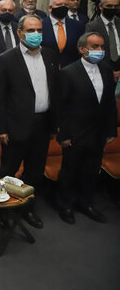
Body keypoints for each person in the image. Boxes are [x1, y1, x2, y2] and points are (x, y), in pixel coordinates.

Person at [0, 15, 58, 229]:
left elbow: (54, 91)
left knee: (35, 170)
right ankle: (2, 211)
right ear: (20, 33)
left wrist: (54, 124)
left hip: (43, 124)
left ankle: (27, 209)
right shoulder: (6, 59)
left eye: (39, 30)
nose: (36, 35)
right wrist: (1, 128)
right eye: (31, 31)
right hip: (15, 126)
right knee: (8, 171)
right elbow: (0, 98)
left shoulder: (50, 55)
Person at [56, 32, 116, 225]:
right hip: (75, 133)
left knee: (91, 170)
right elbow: (61, 107)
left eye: (102, 47)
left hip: (98, 133)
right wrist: (63, 135)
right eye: (95, 47)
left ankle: (86, 203)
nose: (100, 51)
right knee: (69, 171)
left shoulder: (107, 70)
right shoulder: (68, 72)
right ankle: (65, 205)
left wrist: (110, 130)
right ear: (82, 49)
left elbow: (109, 103)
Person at [41, 0, 85, 68]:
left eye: (65, 5)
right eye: (59, 5)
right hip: (47, 69)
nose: (63, 7)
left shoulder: (78, 26)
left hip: (71, 70)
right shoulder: (41, 25)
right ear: (50, 8)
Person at [85, 0, 120, 81]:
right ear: (101, 6)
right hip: (102, 72)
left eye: (116, 6)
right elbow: (90, 52)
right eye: (109, 6)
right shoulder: (92, 26)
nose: (113, 9)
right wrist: (108, 71)